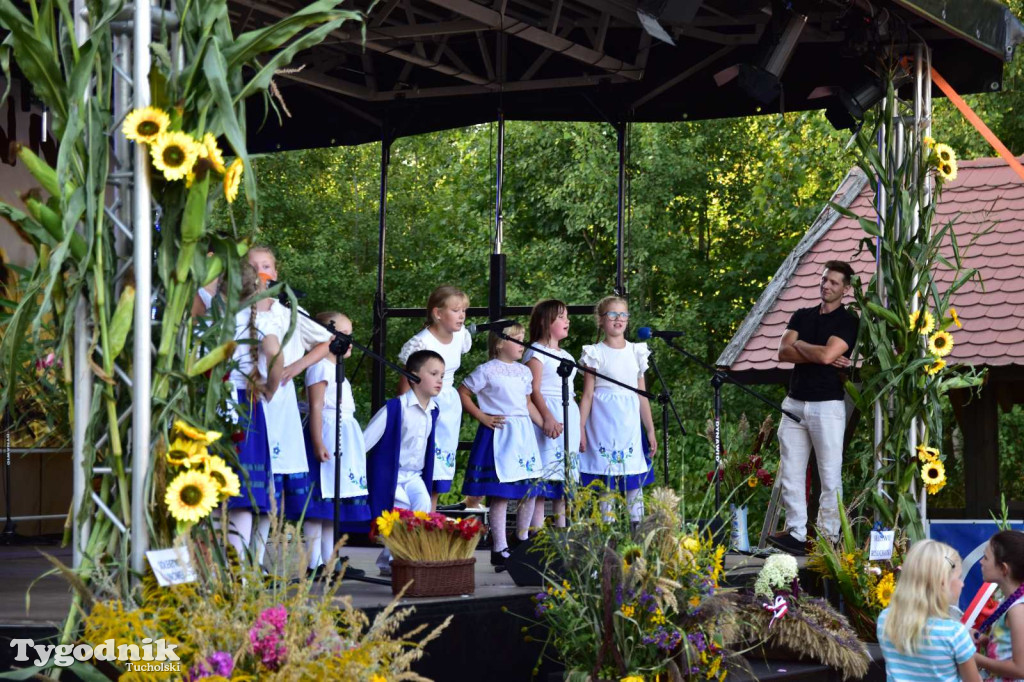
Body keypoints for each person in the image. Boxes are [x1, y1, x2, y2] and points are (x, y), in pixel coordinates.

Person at [769, 260, 859, 555]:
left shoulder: (847, 320)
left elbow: (827, 355)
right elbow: (783, 351)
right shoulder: (802, 314)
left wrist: (803, 346)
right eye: (824, 279)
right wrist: (816, 350)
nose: (826, 285)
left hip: (828, 405)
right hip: (795, 401)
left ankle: (827, 536)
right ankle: (796, 532)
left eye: (834, 282)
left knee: (830, 474)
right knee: (791, 472)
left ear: (845, 289)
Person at [289, 312, 370, 580]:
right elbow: (316, 406)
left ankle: (328, 560)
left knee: (330, 508)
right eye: (342, 335)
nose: (348, 342)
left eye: (350, 335)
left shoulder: (336, 371)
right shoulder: (319, 367)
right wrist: (318, 441)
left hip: (342, 436)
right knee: (319, 503)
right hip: (326, 435)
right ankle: (312, 563)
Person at [460, 323, 545, 568]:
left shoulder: (524, 372)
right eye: (517, 339)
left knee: (529, 488)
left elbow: (527, 404)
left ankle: (521, 538)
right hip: (500, 432)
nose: (522, 344)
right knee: (500, 493)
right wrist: (482, 416)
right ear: (499, 343)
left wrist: (544, 424)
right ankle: (499, 547)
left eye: (523, 339)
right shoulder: (486, 371)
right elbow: (463, 392)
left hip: (523, 434)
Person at [363, 350, 445, 576]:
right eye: (434, 373)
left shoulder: (433, 411)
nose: (440, 380)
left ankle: (398, 560)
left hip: (414, 475)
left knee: (422, 508)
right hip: (392, 476)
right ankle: (393, 562)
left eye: (442, 375)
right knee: (399, 515)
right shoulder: (395, 408)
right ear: (414, 377)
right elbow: (366, 441)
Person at [224, 263, 285, 561]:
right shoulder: (261, 321)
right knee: (244, 494)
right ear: (257, 288)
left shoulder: (212, 319)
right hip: (246, 404)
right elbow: (275, 354)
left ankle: (211, 570)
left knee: (212, 489)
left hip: (212, 402)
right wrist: (270, 388)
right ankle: (241, 571)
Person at [578, 296, 657, 523]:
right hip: (603, 424)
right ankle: (608, 532)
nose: (619, 319)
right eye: (612, 314)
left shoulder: (636, 352)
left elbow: (642, 396)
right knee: (608, 482)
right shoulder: (595, 352)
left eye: (623, 315)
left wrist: (650, 429)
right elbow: (588, 395)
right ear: (601, 321)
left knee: (634, 478)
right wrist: (580, 428)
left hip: (629, 426)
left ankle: (637, 529)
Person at [397, 286, 473, 510]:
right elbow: (404, 386)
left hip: (449, 403)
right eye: (456, 310)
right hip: (425, 403)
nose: (462, 316)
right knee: (423, 459)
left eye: (464, 311)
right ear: (438, 313)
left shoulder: (461, 336)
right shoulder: (422, 343)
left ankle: (430, 519)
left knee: (441, 466)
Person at [877, 539, 981, 682]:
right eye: (959, 577)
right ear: (942, 583)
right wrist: (965, 646)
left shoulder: (885, 619)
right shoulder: (955, 633)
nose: (962, 584)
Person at [524, 299, 580, 528]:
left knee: (562, 484)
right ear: (546, 322)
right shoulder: (536, 351)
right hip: (548, 414)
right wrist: (546, 417)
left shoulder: (566, 354)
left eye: (567, 316)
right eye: (561, 317)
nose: (567, 321)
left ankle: (562, 531)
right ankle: (535, 535)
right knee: (544, 480)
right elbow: (533, 389)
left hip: (569, 414)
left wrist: (581, 430)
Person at [974, 530, 1024, 680]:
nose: (981, 562)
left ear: (1003, 568)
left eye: (986, 558)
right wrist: (984, 640)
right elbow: (1010, 648)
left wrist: (975, 658)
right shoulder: (1009, 602)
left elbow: (1021, 668)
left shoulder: (1018, 610)